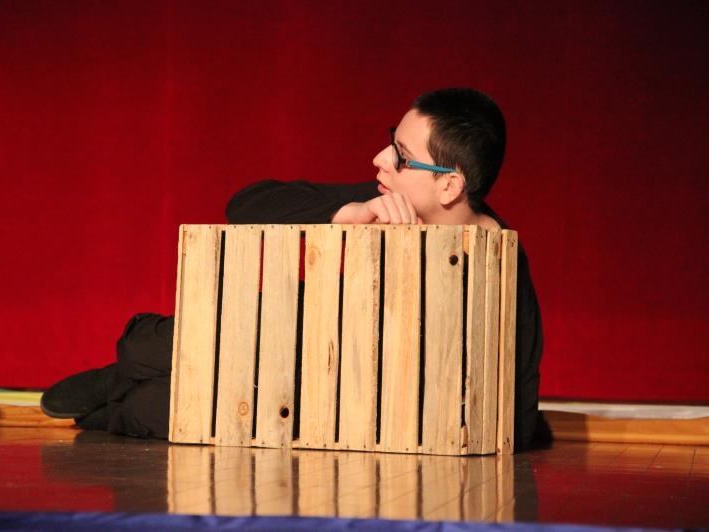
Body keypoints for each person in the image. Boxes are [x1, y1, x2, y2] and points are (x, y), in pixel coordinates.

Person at [41, 87, 546, 450]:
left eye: (401, 156)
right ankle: (122, 376)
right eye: (391, 141)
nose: (380, 158)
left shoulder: (497, 265)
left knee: (154, 404)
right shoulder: (389, 200)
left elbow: (517, 411)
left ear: (449, 186)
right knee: (145, 347)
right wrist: (347, 213)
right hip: (285, 333)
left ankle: (120, 395)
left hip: (326, 394)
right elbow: (246, 203)